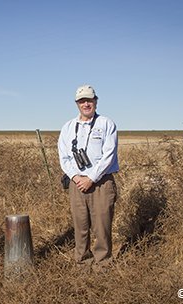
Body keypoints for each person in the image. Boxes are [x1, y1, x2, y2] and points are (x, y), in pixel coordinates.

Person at [58, 84, 119, 271]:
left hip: (101, 182)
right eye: (82, 101)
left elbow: (108, 155)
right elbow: (64, 157)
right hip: (77, 183)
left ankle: (103, 264)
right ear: (77, 103)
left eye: (89, 100)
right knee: (80, 225)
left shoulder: (106, 124)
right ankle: (82, 262)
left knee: (102, 226)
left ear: (96, 101)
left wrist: (91, 178)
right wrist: (76, 177)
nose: (86, 104)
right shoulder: (68, 127)